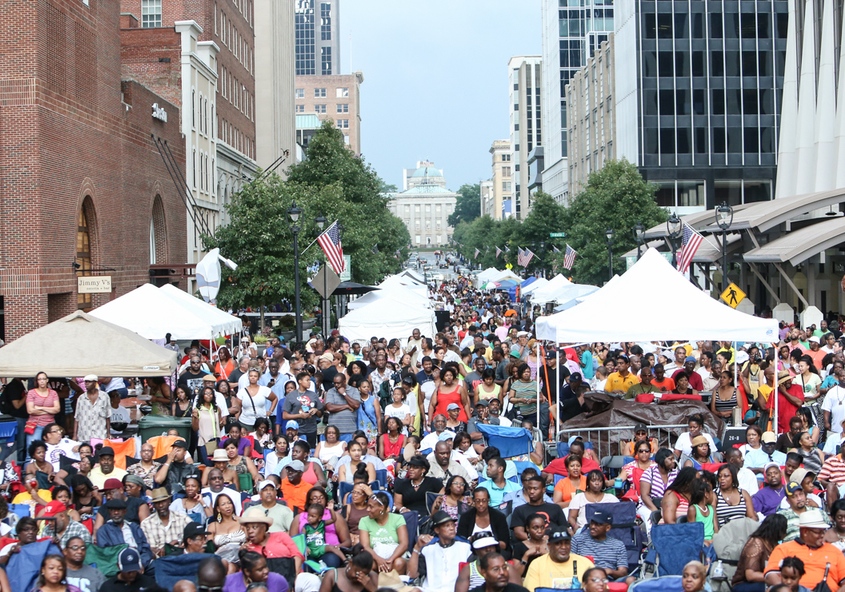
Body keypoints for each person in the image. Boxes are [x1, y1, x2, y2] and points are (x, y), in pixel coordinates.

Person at [765, 510, 845, 591]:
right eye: (818, 532)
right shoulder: (783, 548)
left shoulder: (835, 551)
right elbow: (770, 575)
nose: (822, 535)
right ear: (805, 532)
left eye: (823, 531)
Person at [408, 510, 471, 592]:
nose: (452, 528)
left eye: (453, 525)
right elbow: (412, 574)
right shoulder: (428, 549)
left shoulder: (465, 547)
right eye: (447, 526)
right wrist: (417, 548)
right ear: (437, 530)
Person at [240, 506, 303, 579]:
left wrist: (293, 577)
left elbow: (297, 556)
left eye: (254, 527)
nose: (250, 531)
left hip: (293, 575)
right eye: (248, 528)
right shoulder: (248, 549)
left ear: (264, 527)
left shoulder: (281, 536)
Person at [523, 529, 595, 590]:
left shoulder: (585, 563)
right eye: (558, 544)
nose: (563, 547)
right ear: (549, 546)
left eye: (566, 543)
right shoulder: (537, 564)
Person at [732, 514, 788, 592]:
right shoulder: (756, 543)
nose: (786, 534)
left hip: (766, 582)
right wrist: (775, 578)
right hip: (744, 584)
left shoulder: (775, 544)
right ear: (778, 530)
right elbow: (750, 575)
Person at [95, 498, 153, 572]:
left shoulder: (134, 527)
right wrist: (126, 565)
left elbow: (146, 549)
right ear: (109, 513)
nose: (116, 513)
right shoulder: (103, 531)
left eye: (119, 510)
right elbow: (105, 555)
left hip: (140, 564)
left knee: (157, 566)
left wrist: (141, 564)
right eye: (113, 511)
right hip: (118, 568)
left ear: (124, 512)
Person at [358, 491, 408, 574]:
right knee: (369, 565)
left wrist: (390, 560)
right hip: (374, 557)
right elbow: (365, 546)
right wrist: (379, 560)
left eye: (371, 507)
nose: (367, 509)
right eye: (368, 506)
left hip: (394, 557)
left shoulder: (398, 519)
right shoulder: (364, 521)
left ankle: (395, 586)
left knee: (399, 563)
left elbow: (404, 544)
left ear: (381, 507)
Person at [571, 509, 628, 579]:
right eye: (592, 523)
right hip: (584, 578)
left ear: (607, 528)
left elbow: (623, 572)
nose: (592, 527)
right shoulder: (578, 539)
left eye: (598, 524)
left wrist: (610, 571)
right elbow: (569, 563)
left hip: (608, 580)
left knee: (631, 580)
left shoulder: (618, 545)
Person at [457, 487, 511, 558]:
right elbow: (461, 541)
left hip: (494, 552)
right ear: (473, 501)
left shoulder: (499, 517)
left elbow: (504, 544)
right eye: (477, 501)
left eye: (484, 500)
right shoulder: (466, 517)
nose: (481, 504)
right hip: (473, 552)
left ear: (488, 500)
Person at [141, 488, 192, 558]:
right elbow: (151, 550)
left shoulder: (182, 518)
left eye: (163, 501)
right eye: (157, 503)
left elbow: (195, 536)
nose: (161, 505)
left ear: (169, 501)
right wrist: (168, 547)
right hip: (160, 562)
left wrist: (184, 542)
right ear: (154, 505)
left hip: (181, 559)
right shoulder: (146, 524)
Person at [281, 372, 324, 448]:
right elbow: (285, 415)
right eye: (307, 380)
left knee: (311, 449)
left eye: (309, 380)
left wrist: (316, 411)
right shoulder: (291, 396)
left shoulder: (313, 395)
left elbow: (321, 413)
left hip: (311, 429)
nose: (309, 383)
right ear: (300, 381)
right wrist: (300, 415)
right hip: (297, 430)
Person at [99, 548, 164, 592]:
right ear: (118, 566)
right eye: (128, 571)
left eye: (134, 570)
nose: (132, 574)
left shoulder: (149, 583)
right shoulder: (108, 587)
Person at [224, 549, 289, 592]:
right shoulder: (228, 582)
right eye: (260, 570)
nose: (266, 571)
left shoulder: (278, 580)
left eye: (266, 567)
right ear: (247, 572)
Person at [73, 376, 110, 443]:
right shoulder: (81, 398)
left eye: (89, 381)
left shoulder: (104, 396)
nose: (86, 383)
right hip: (84, 435)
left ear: (95, 383)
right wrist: (75, 435)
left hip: (100, 435)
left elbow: (108, 416)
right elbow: (77, 418)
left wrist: (108, 433)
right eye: (85, 382)